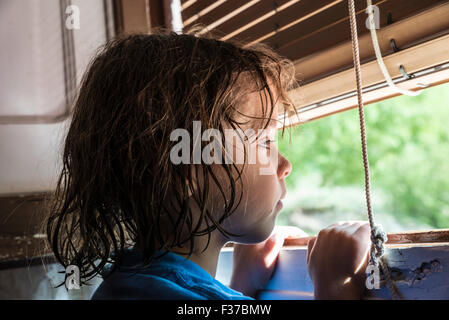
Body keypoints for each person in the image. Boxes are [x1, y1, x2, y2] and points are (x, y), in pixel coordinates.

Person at [45, 29, 371, 300]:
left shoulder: (130, 286)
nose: (285, 165)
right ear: (185, 168)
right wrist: (336, 287)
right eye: (265, 142)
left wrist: (241, 286)